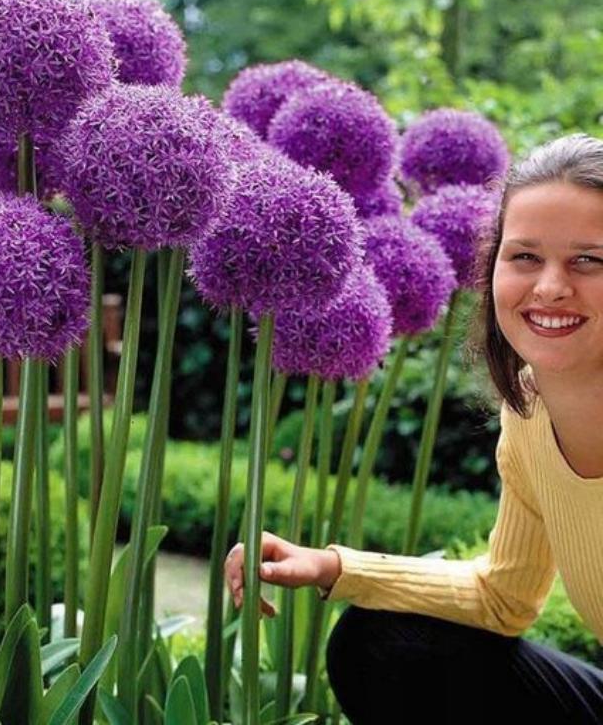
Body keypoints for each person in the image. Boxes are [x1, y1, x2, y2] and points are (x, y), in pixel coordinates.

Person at [224, 134, 603, 724]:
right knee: (383, 641)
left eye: (589, 260)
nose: (550, 287)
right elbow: (504, 599)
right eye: (525, 256)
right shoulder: (529, 414)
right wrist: (331, 567)